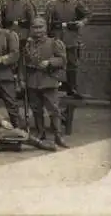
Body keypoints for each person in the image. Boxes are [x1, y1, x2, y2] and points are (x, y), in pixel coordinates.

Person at [21, 17, 69, 148]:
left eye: (40, 27)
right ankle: (41, 133)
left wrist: (49, 62)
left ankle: (58, 136)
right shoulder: (28, 44)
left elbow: (63, 60)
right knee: (36, 109)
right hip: (32, 81)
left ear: (46, 28)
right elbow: (23, 64)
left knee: (53, 110)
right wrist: (23, 80)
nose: (37, 30)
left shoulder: (54, 43)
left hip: (48, 80)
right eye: (35, 27)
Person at [44, 0, 92, 99]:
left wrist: (82, 22)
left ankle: (72, 88)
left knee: (72, 63)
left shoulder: (76, 3)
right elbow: (46, 21)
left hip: (71, 36)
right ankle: (53, 86)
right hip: (56, 36)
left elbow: (88, 15)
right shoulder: (52, 4)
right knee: (54, 61)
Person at [0, 0, 37, 95]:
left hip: (23, 35)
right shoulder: (5, 2)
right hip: (9, 35)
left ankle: (21, 82)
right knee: (10, 58)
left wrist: (31, 36)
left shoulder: (27, 3)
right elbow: (1, 20)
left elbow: (33, 21)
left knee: (21, 59)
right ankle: (11, 82)